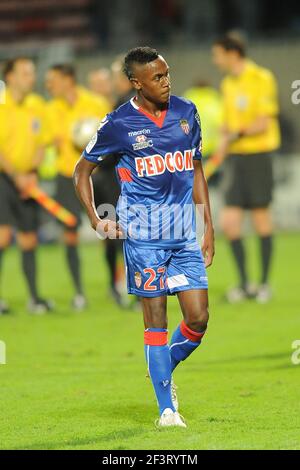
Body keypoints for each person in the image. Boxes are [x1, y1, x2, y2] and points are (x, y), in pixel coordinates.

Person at [73, 47, 215, 427]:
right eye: (157, 77)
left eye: (167, 74)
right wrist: (95, 219)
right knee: (156, 320)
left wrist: (208, 226)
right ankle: (167, 410)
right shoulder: (118, 124)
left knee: (199, 319)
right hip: (143, 236)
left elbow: (196, 168)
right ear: (136, 83)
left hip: (184, 233)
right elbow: (80, 171)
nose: (166, 81)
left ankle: (161, 368)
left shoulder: (187, 112)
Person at [212, 34, 281, 303]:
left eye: (217, 54)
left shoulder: (261, 78)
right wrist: (221, 149)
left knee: (261, 218)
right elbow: (226, 126)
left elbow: (264, 122)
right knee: (229, 223)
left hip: (258, 155)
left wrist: (236, 132)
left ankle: (263, 284)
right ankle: (243, 284)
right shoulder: (227, 83)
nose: (215, 60)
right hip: (235, 159)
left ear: (232, 53)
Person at [45, 64, 111, 310]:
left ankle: (115, 287)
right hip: (67, 177)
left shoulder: (95, 103)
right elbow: (51, 139)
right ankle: (79, 292)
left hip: (98, 175)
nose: (49, 85)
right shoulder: (50, 109)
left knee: (109, 232)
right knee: (69, 233)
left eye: (53, 79)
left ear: (68, 80)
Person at [0, 57, 52, 314]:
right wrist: (16, 176)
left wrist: (31, 173)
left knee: (30, 239)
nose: (31, 78)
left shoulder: (37, 105)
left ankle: (34, 298)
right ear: (9, 76)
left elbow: (42, 143)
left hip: (29, 178)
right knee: (3, 236)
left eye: (32, 73)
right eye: (25, 73)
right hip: (3, 179)